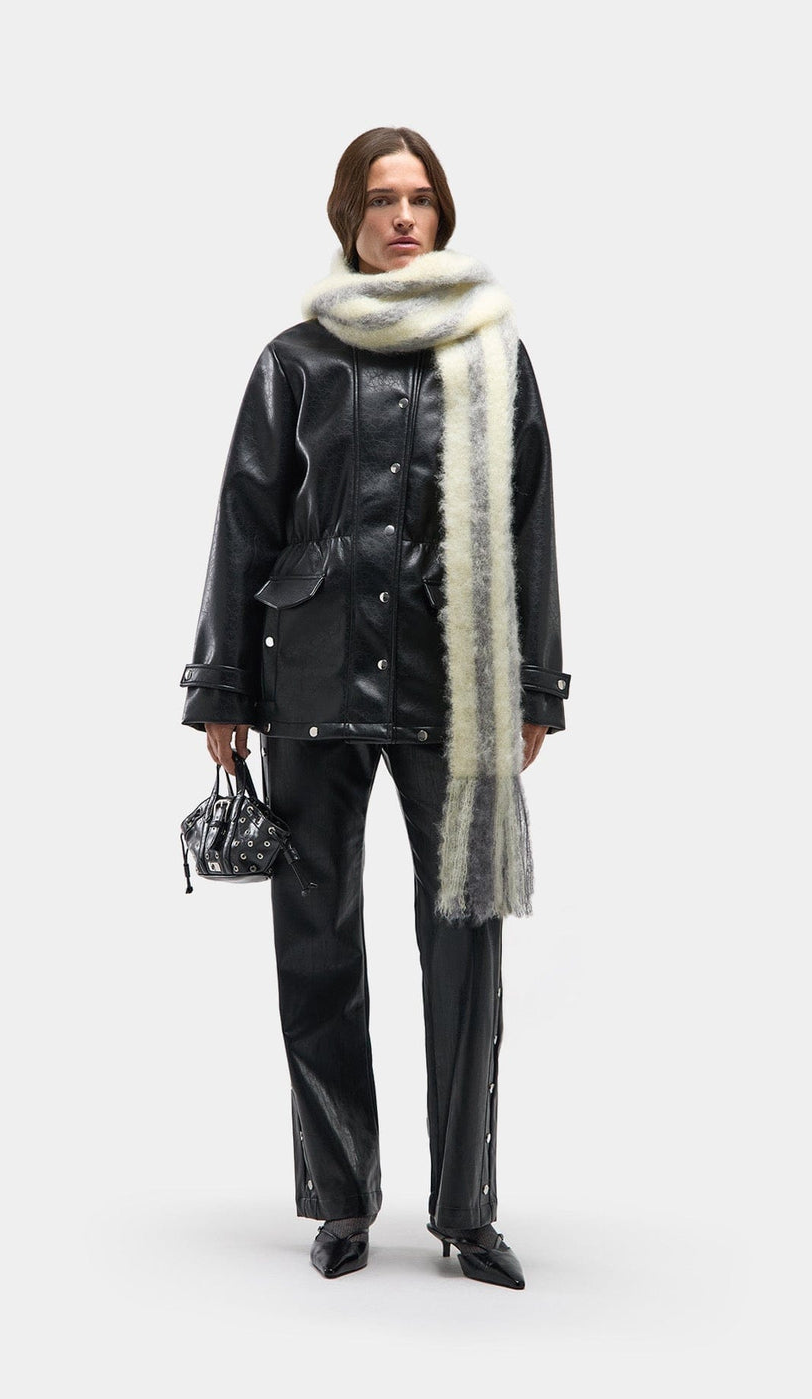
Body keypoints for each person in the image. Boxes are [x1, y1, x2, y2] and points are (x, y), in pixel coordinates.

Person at [179, 127, 570, 1288]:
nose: (403, 217)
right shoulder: (296, 360)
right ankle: (341, 1199)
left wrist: (536, 685)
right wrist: (221, 687)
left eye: (421, 198)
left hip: (457, 685)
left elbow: (529, 528)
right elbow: (245, 519)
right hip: (310, 681)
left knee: (465, 946)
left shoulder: (494, 356)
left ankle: (465, 1211)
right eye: (382, 198)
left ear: (442, 214)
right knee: (315, 945)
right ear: (348, 214)